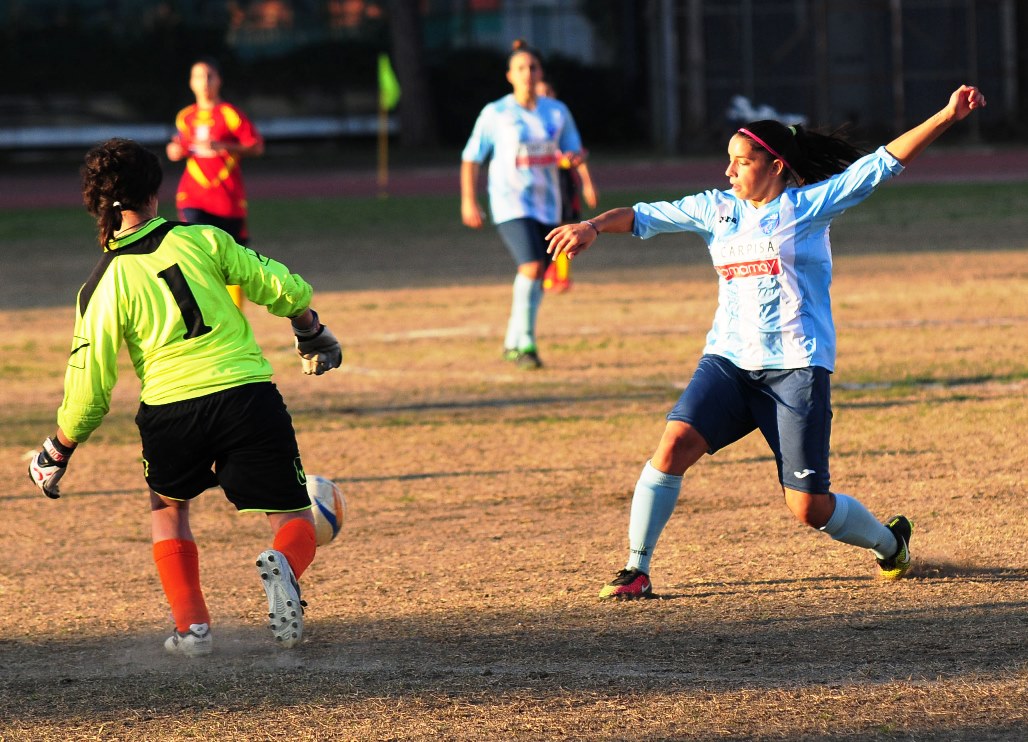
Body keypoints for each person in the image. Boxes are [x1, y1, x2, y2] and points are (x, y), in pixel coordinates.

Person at [546, 85, 986, 599]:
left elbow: (883, 162)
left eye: (741, 161)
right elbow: (642, 215)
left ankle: (890, 544)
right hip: (729, 363)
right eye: (727, 161)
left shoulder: (810, 205)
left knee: (808, 508)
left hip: (796, 369)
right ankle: (636, 568)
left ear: (775, 164)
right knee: (672, 446)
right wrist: (593, 226)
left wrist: (947, 116)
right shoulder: (716, 210)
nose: (728, 171)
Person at [27, 138, 343, 655]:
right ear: (155, 193)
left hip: (170, 413)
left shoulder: (101, 285)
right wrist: (308, 326)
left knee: (168, 508)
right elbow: (274, 282)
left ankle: (192, 629)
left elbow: (90, 390)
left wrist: (58, 449)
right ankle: (284, 563)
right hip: (246, 397)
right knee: (292, 517)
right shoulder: (203, 239)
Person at [461, 39, 587, 369]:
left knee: (538, 271)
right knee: (531, 266)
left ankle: (512, 341)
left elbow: (575, 148)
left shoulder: (556, 111)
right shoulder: (496, 113)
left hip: (549, 203)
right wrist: (469, 200)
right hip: (509, 202)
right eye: (520, 68)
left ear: (540, 72)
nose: (527, 74)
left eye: (532, 68)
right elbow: (471, 158)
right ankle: (526, 343)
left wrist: (575, 158)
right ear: (509, 75)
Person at [166, 58, 264, 310]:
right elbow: (180, 145)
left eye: (209, 76)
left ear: (219, 80)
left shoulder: (230, 114)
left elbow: (256, 147)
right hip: (194, 195)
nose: (205, 82)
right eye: (199, 76)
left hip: (228, 197)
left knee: (232, 262)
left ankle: (234, 316)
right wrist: (174, 151)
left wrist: (225, 147)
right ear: (191, 83)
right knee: (198, 252)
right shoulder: (185, 117)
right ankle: (204, 312)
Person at [535, 79, 598, 294]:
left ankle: (561, 277)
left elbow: (578, 154)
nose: (543, 96)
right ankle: (547, 273)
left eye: (547, 92)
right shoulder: (528, 121)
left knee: (563, 227)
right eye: (539, 92)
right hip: (538, 181)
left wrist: (588, 185)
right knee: (541, 229)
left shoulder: (560, 119)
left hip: (561, 182)